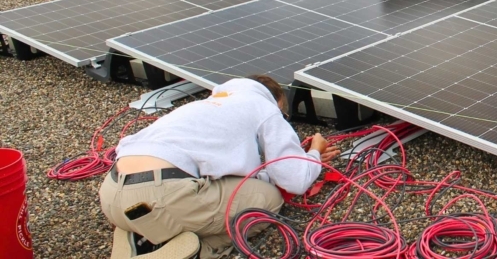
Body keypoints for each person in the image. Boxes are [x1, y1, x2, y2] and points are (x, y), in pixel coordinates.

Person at [99, 76, 339, 259]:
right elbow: (294, 180)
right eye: (283, 113)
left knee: (212, 192)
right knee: (268, 200)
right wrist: (314, 154)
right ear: (275, 101)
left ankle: (138, 233)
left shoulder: (205, 106)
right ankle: (195, 249)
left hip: (112, 195)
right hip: (163, 198)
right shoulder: (264, 107)